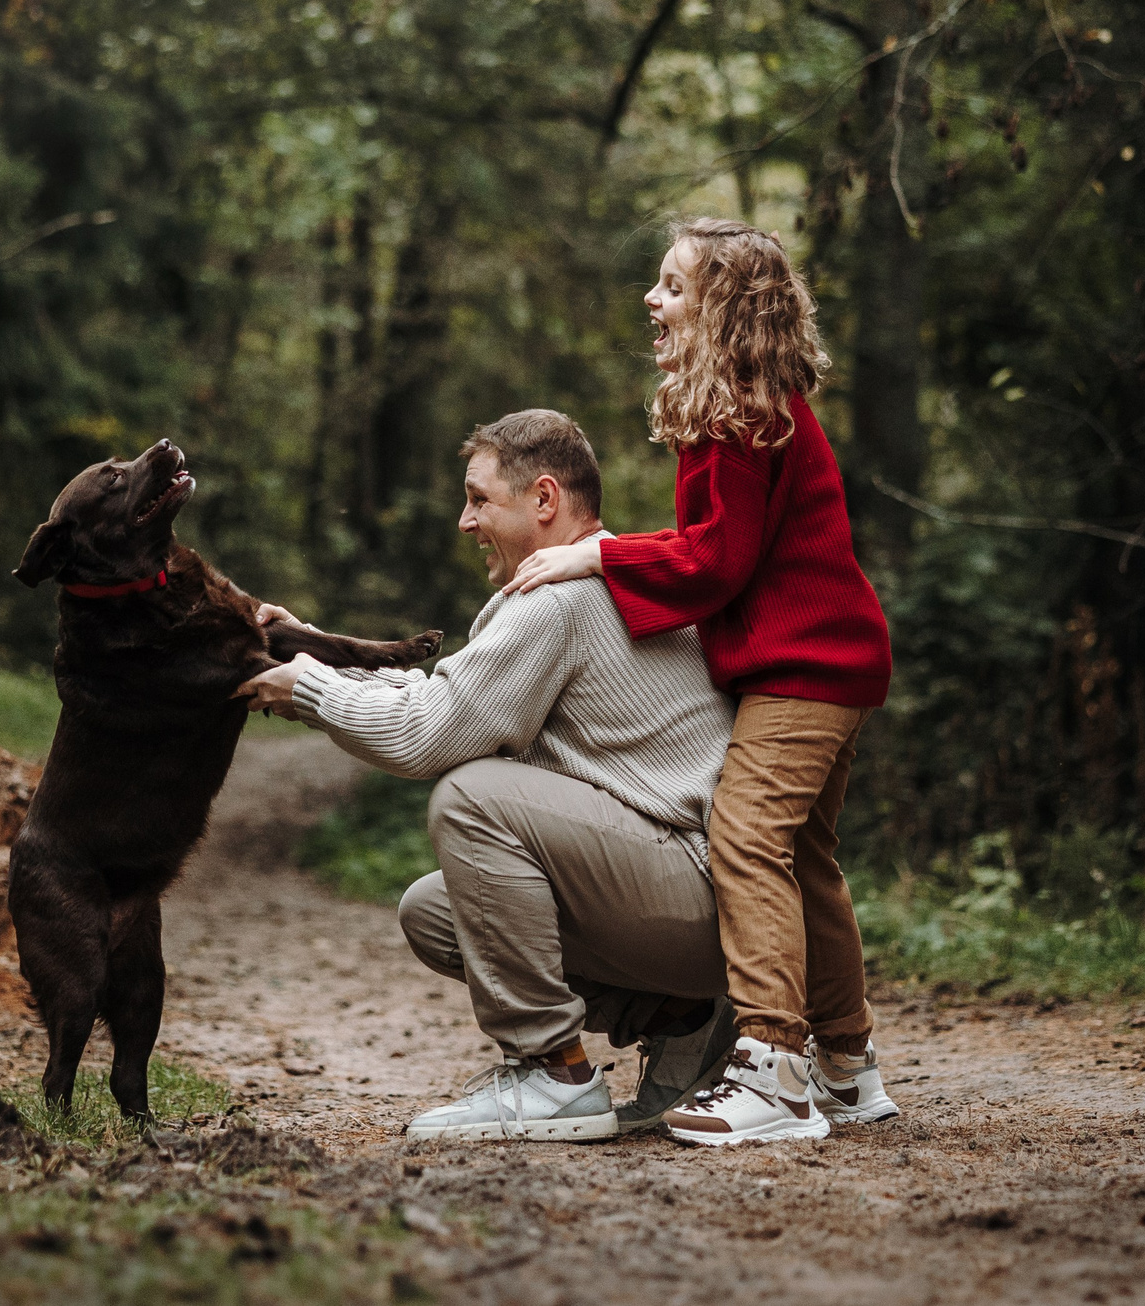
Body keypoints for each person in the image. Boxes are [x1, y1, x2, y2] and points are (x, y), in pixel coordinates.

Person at [236, 409, 742, 1141]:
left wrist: (308, 689)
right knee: (436, 912)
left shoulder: (560, 599)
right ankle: (685, 1018)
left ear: (544, 500)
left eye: (479, 499)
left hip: (699, 896)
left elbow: (425, 737)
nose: (465, 521)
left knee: (474, 799)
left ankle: (553, 1072)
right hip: (695, 901)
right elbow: (448, 699)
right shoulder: (603, 577)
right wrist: (320, 657)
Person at [500, 215, 898, 1145]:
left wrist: (596, 555)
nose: (653, 299)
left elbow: (714, 562)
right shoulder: (752, 407)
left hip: (806, 669)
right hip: (828, 660)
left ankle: (772, 1065)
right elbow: (725, 551)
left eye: (673, 286)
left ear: (723, 308)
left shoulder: (738, 416)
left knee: (747, 836)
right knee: (804, 859)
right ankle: (847, 1063)